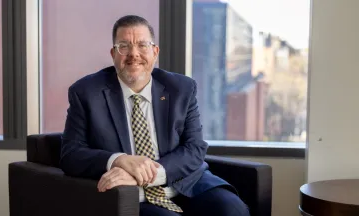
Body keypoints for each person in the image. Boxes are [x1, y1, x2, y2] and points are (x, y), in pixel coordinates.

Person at [60, 15, 250, 216]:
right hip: (131, 196)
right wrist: (119, 160)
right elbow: (71, 154)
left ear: (155, 52)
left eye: (142, 45)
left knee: (232, 210)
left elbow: (195, 148)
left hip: (185, 182)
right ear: (113, 54)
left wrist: (146, 174)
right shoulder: (86, 93)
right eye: (124, 46)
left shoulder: (182, 89)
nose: (134, 54)